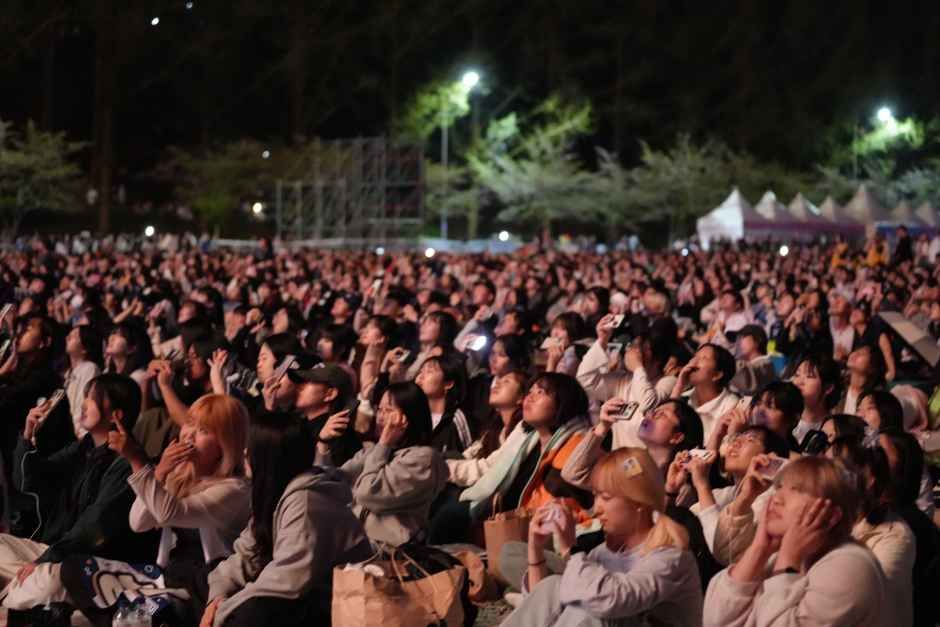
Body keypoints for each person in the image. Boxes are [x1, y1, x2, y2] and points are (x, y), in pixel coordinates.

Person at [202, 412, 373, 627]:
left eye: (251, 447)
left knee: (250, 614)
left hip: (335, 604)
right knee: (208, 580)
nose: (244, 453)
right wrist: (216, 599)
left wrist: (225, 610)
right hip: (300, 597)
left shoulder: (306, 502)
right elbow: (246, 553)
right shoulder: (276, 492)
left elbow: (287, 580)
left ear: (270, 455)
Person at [2, 374, 158, 609]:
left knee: (49, 582)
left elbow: (93, 527)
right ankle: (19, 587)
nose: (83, 404)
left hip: (87, 562)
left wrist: (45, 560)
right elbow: (29, 482)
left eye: (92, 398)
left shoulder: (125, 462)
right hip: (55, 550)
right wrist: (28, 435)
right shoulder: (83, 448)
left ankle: (15, 588)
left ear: (116, 414)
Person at [501, 448, 703, 627]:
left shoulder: (670, 556)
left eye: (605, 497)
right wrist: (535, 548)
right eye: (596, 496)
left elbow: (612, 599)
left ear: (638, 502)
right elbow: (547, 607)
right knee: (552, 586)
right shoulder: (604, 552)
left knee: (592, 608)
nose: (597, 508)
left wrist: (570, 549)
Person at [703, 456, 886, 627]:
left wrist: (789, 560)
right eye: (779, 486)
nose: (777, 498)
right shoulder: (776, 554)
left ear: (831, 515)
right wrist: (759, 548)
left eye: (797, 490)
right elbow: (715, 621)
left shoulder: (849, 566)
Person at [318, 382, 447, 547]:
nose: (380, 417)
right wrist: (323, 443)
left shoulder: (424, 459)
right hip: (353, 539)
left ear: (407, 418)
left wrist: (384, 444)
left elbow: (368, 494)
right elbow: (329, 484)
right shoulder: (374, 451)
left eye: (388, 410)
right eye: (379, 409)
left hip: (388, 550)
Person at [670, 426, 789, 559]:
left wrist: (702, 485)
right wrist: (671, 490)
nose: (736, 442)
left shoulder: (770, 501)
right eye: (738, 437)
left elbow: (721, 550)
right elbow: (677, 525)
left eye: (750, 439)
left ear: (770, 459)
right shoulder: (722, 494)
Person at [288, 363, 362, 467]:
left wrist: (323, 441)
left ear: (330, 394)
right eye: (301, 381)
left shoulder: (338, 435)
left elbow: (328, 475)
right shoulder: (299, 424)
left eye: (309, 381)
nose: (299, 386)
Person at [671, 343, 739, 438]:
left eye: (703, 358)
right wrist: (679, 385)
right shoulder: (683, 397)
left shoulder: (731, 405)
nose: (693, 362)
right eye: (695, 356)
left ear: (717, 375)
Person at [414, 352, 473, 454]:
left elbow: (467, 456)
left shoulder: (456, 420)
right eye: (420, 372)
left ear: (448, 384)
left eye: (429, 371)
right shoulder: (412, 414)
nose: (420, 377)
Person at [788, 352, 842, 444]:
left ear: (828, 388)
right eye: (797, 375)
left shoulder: (833, 430)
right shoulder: (784, 419)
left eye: (809, 376)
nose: (798, 382)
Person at [62, 325, 103, 439]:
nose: (67, 338)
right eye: (69, 335)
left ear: (85, 348)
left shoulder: (89, 368)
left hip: (75, 435)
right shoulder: (67, 373)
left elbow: (82, 405)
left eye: (74, 336)